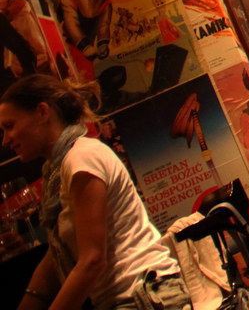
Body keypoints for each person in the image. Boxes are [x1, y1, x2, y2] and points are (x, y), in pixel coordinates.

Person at [2, 75, 190, 310]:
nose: (5, 140)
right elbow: (55, 256)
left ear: (42, 112)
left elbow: (92, 260)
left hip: (145, 296)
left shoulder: (81, 158)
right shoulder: (59, 169)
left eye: (9, 126)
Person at [59, 0, 111, 64]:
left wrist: (103, 45)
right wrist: (85, 47)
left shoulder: (104, 2)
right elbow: (72, 26)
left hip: (90, 49)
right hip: (68, 47)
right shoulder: (68, 0)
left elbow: (104, 25)